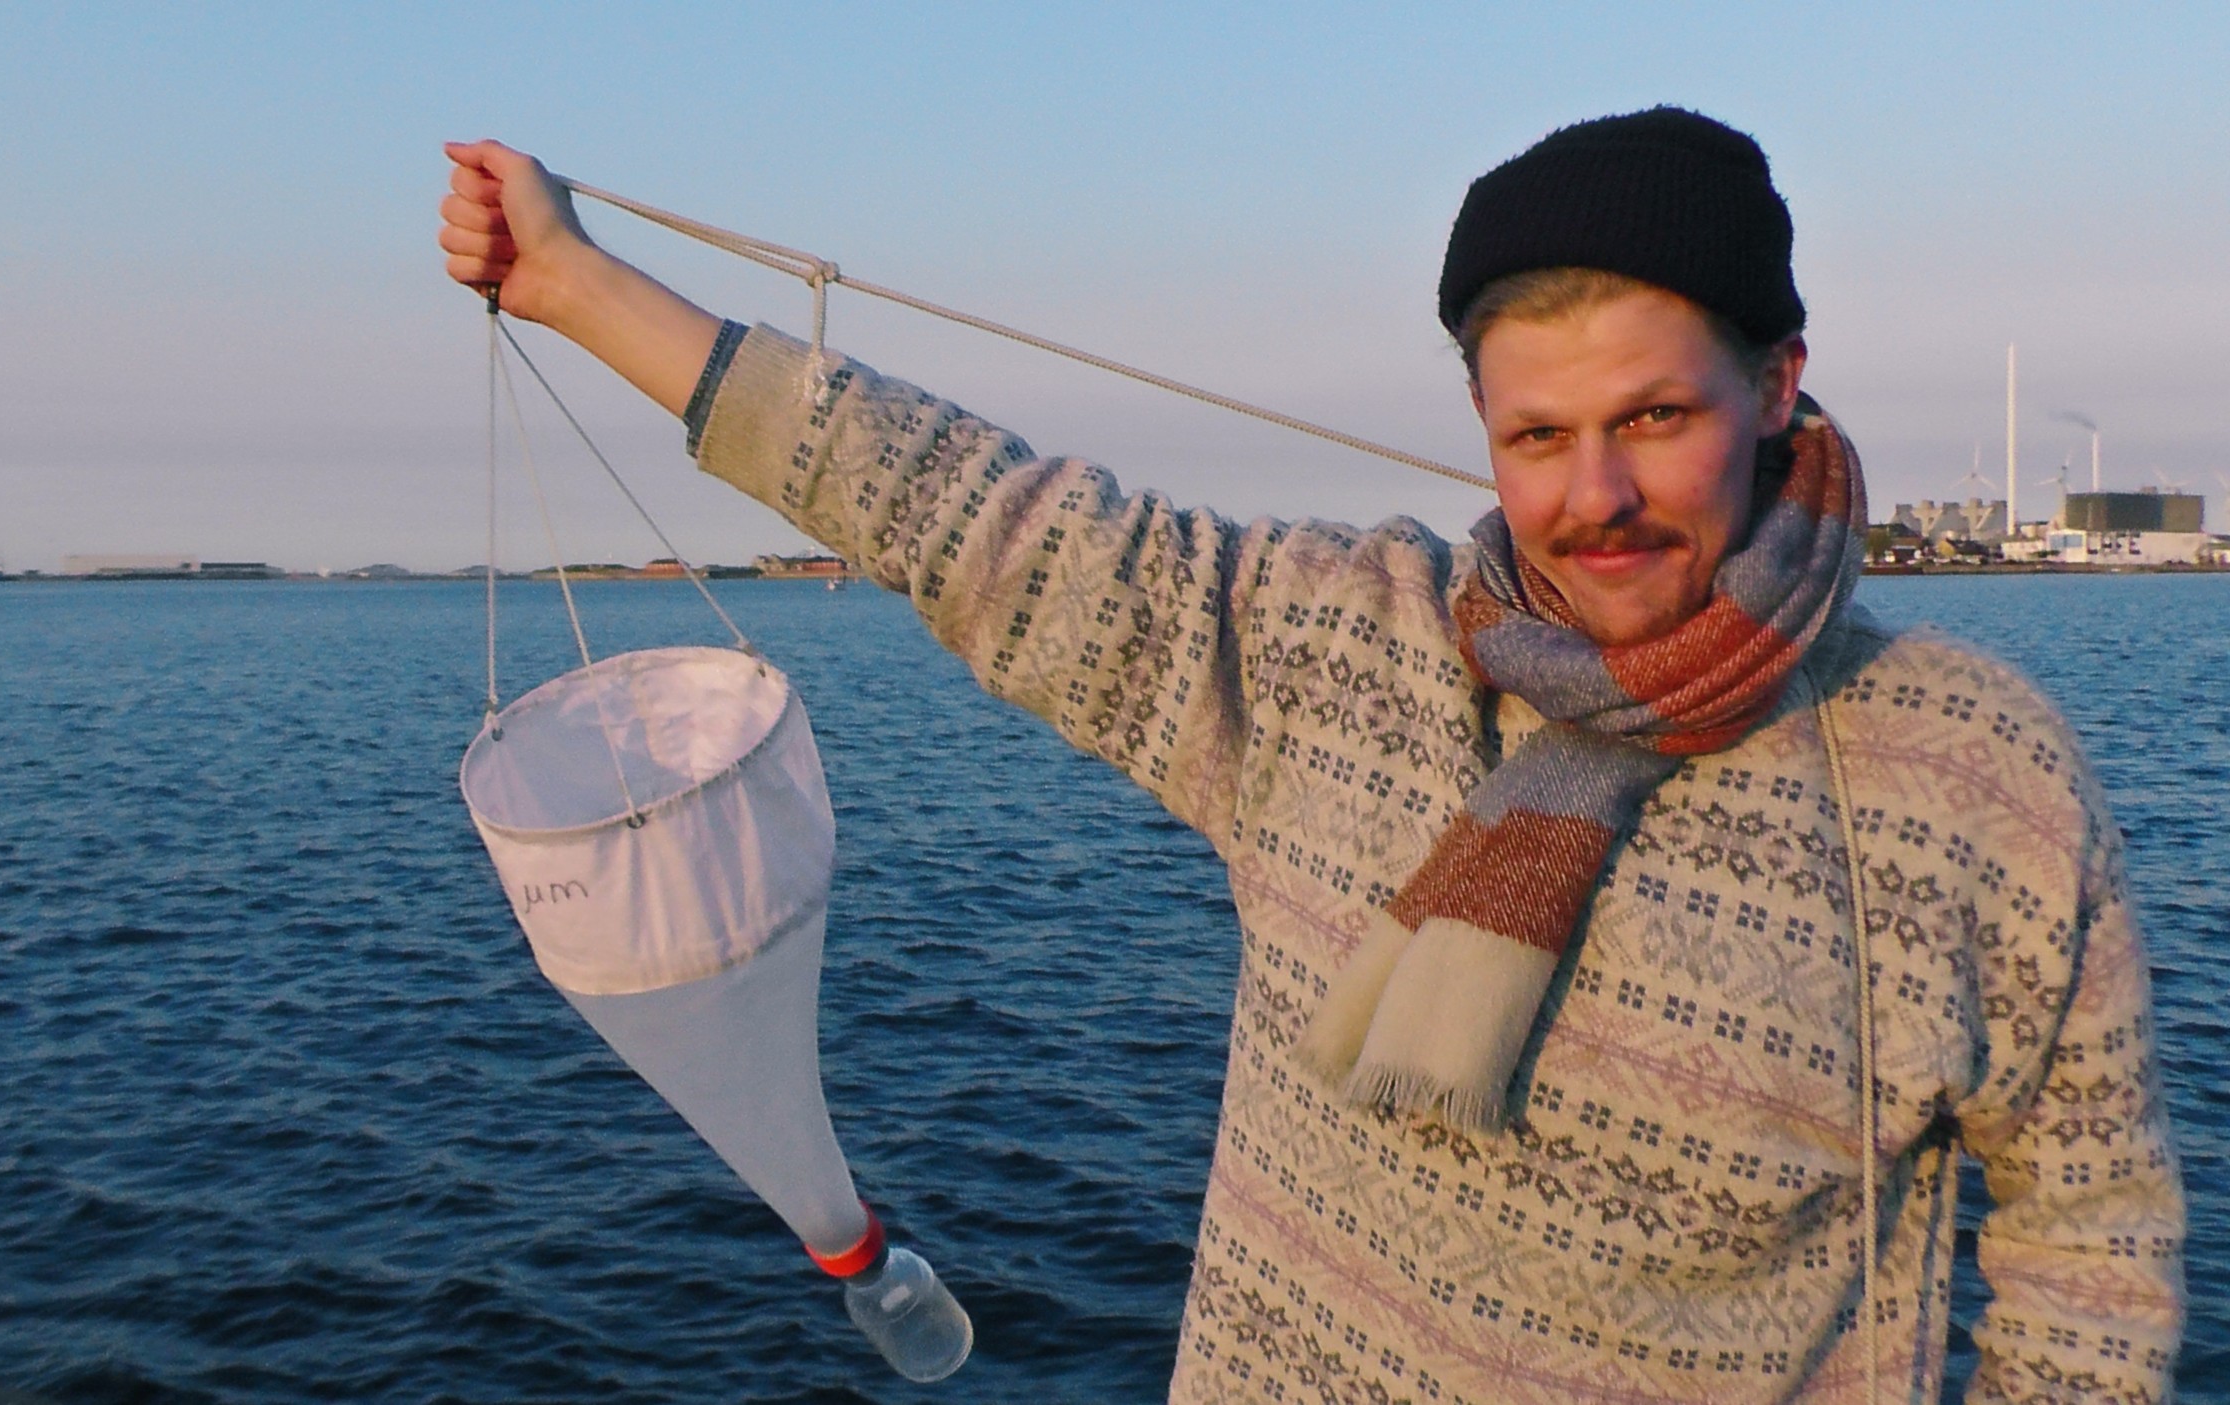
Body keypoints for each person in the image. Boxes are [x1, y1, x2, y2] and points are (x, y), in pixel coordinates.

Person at [438, 109, 2184, 1403]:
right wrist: (579, 285)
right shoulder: (1337, 654)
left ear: (1779, 383)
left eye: (1656, 416)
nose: (1595, 497)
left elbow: (2087, 1244)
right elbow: (968, 512)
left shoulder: (1973, 776)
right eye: (1538, 434)